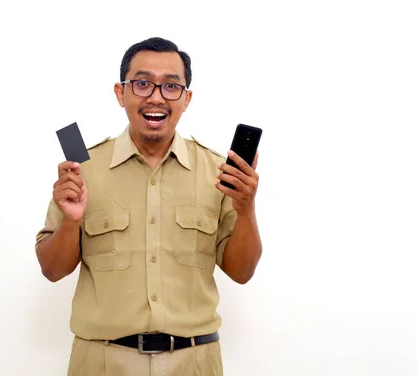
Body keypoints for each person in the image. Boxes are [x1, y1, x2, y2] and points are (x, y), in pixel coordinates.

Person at [35, 37, 262, 375]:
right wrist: (69, 223)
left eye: (171, 86)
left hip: (194, 362)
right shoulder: (83, 170)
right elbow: (52, 271)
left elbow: (241, 273)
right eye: (142, 84)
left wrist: (246, 209)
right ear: (120, 93)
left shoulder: (219, 173)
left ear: (187, 99)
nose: (156, 97)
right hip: (102, 363)